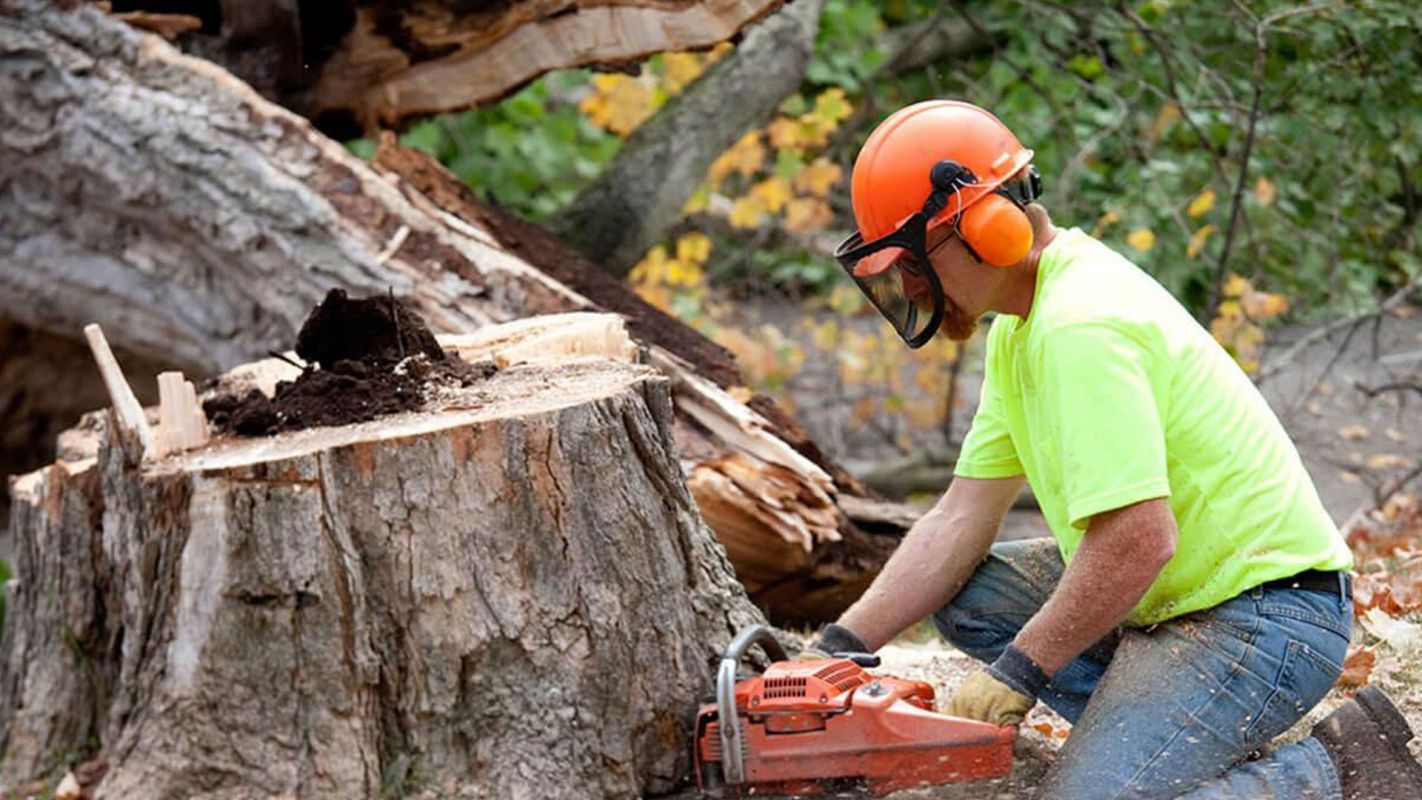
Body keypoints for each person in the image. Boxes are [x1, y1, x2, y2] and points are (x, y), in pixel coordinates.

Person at [814, 99, 1422, 799]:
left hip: (1266, 616)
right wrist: (837, 648)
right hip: (1179, 598)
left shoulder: (1080, 326)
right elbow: (958, 519)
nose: (913, 286)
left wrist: (1021, 670)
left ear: (987, 227)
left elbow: (1137, 540)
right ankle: (1157, 732)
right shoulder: (1020, 326)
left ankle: (1336, 769)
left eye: (917, 262)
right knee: (972, 594)